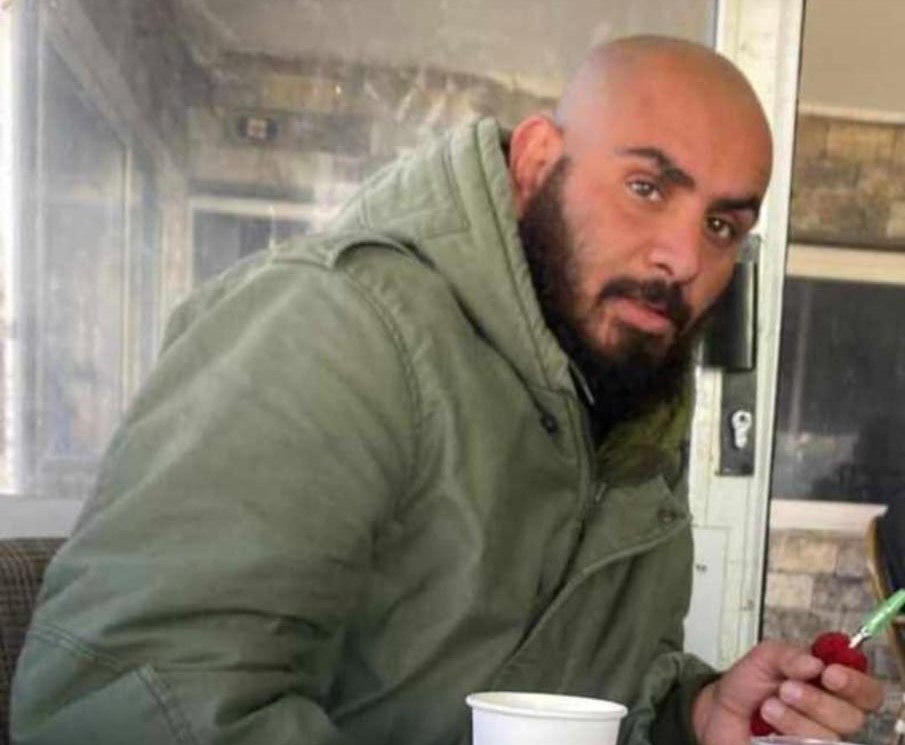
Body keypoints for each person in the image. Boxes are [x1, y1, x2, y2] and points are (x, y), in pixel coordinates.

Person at [11, 36, 883, 745]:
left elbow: (571, 687)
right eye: (646, 186)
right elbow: (136, 700)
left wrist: (689, 715)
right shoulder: (334, 329)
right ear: (536, 162)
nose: (682, 258)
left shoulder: (625, 397)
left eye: (722, 223)